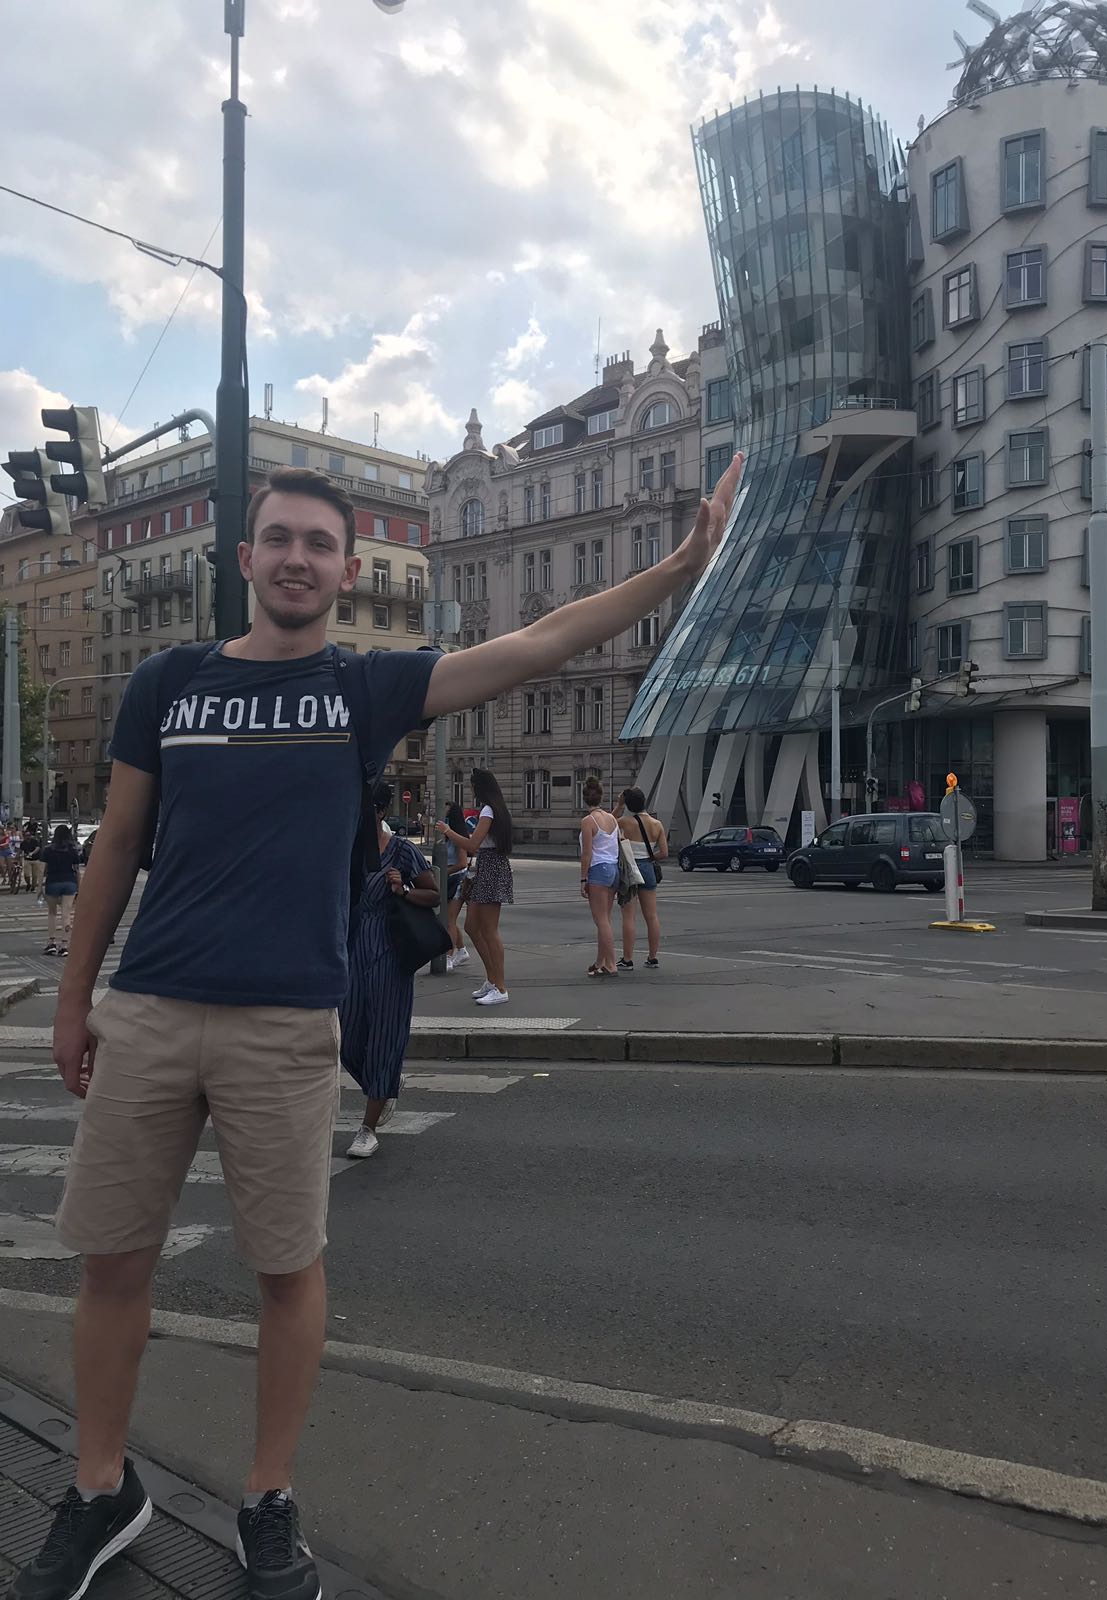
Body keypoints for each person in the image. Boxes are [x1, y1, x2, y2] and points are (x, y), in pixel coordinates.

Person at [17, 449, 742, 1600]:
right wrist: (73, 998)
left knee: (287, 1270)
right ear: (245, 557)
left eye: (319, 544)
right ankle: (100, 1489)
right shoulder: (168, 681)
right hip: (151, 1007)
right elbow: (115, 846)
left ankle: (265, 1501)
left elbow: (539, 642)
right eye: (280, 539)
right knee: (112, 1263)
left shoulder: (366, 688)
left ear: (345, 568)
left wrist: (679, 568)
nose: (297, 558)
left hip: (286, 1022)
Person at [340, 781, 439, 1160]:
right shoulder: (347, 847)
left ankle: (367, 1126)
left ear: (379, 811)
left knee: (384, 1035)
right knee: (346, 1036)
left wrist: (403, 890)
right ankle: (384, 1088)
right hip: (351, 949)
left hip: (390, 951)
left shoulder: (402, 851)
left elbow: (432, 894)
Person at [436, 768, 514, 1006]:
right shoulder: (496, 809)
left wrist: (449, 831)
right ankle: (492, 980)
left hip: (490, 867)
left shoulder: (489, 810)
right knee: (471, 926)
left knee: (489, 930)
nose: (471, 790)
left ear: (480, 788)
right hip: (488, 867)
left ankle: (500, 986)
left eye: (472, 786)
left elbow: (473, 843)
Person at [614, 788, 669, 969]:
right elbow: (664, 853)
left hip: (629, 869)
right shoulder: (657, 824)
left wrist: (619, 804)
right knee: (651, 916)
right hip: (647, 867)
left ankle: (627, 959)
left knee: (629, 917)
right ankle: (653, 957)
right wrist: (650, 858)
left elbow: (607, 824)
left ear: (629, 804)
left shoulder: (624, 822)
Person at [578, 778, 620, 978]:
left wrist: (583, 879)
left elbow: (586, 853)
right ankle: (600, 961)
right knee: (606, 920)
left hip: (598, 870)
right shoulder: (611, 819)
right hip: (613, 869)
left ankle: (611, 964)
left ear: (584, 799)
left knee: (601, 920)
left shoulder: (588, 821)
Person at [39, 824, 82, 956]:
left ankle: (51, 943)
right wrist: (78, 888)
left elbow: (41, 870)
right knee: (66, 914)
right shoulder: (72, 850)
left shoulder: (47, 850)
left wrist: (39, 887)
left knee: (52, 913)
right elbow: (77, 871)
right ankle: (64, 945)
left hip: (53, 882)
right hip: (70, 882)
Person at [443, 800, 471, 971]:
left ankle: (448, 956)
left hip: (458, 880)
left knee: (449, 920)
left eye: (445, 812)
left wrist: (443, 873)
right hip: (449, 879)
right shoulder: (447, 836)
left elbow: (462, 863)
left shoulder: (458, 836)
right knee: (449, 920)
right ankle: (461, 950)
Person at [21, 822, 42, 894]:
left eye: (29, 835)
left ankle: (33, 887)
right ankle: (28, 884)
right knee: (26, 874)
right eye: (26, 835)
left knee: (35, 875)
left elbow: (37, 848)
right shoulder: (23, 843)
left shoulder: (34, 841)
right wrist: (19, 856)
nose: (28, 837)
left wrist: (32, 853)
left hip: (35, 859)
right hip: (27, 860)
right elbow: (21, 850)